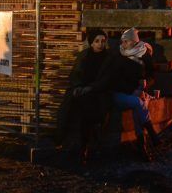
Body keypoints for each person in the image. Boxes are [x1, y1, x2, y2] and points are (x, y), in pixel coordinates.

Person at [93, 27, 158, 161]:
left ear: (134, 42)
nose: (122, 44)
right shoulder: (119, 56)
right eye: (122, 41)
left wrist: (145, 84)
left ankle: (142, 146)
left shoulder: (144, 54)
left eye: (126, 42)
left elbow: (152, 75)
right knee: (138, 103)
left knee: (137, 107)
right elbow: (113, 79)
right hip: (123, 91)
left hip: (138, 89)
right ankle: (149, 137)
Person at [56, 29, 111, 162]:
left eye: (103, 41)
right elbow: (75, 74)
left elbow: (108, 79)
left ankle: (84, 147)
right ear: (91, 43)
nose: (100, 44)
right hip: (82, 90)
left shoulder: (109, 58)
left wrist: (91, 88)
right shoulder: (84, 55)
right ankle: (61, 139)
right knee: (68, 107)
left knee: (88, 110)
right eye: (97, 41)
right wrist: (77, 87)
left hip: (99, 92)